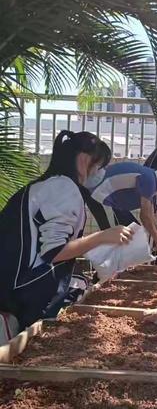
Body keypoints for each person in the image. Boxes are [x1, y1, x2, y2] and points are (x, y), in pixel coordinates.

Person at [0, 130, 134, 330]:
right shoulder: (64, 188)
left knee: (79, 282)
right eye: (99, 166)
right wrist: (102, 236)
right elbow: (54, 252)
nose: (100, 172)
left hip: (11, 282)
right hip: (20, 291)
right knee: (78, 290)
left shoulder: (52, 184)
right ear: (83, 159)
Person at [85, 160, 157, 251]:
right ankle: (106, 264)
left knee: (131, 235)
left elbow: (151, 216)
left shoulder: (152, 179)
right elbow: (145, 217)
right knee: (116, 238)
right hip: (101, 196)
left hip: (108, 200)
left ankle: (116, 266)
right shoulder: (150, 180)